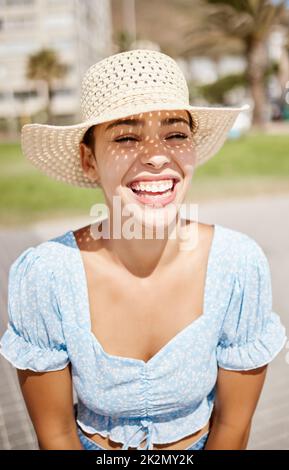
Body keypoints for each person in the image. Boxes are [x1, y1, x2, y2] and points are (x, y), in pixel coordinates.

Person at [0, 49, 287, 451]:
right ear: (88, 160)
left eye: (175, 134)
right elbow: (56, 435)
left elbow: (233, 428)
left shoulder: (237, 265)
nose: (156, 157)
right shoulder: (46, 275)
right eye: (126, 136)